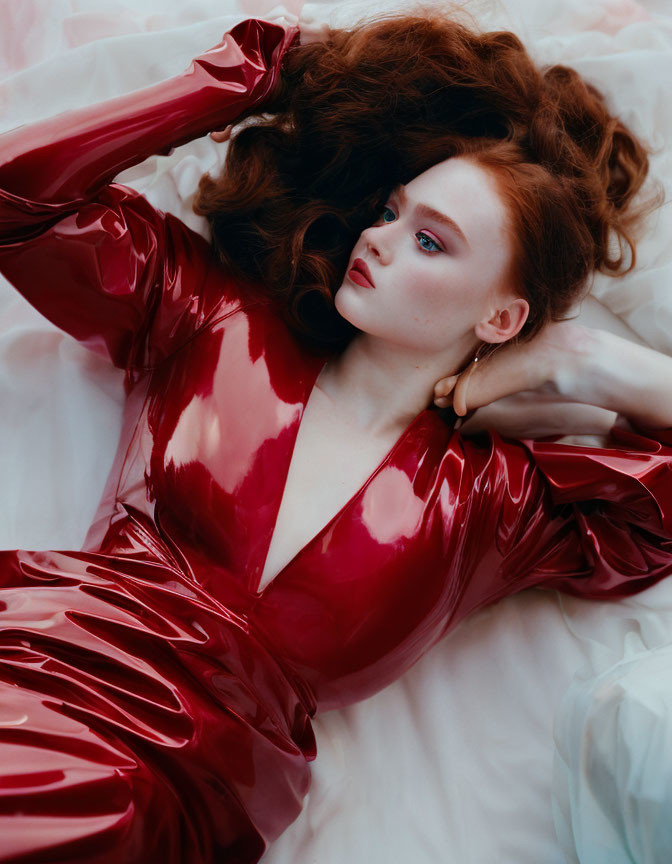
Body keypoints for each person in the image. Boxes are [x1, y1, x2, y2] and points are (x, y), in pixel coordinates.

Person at [0, 11, 670, 864]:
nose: (379, 241)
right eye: (391, 212)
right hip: (51, 685)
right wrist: (210, 93)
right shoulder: (217, 319)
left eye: (429, 240)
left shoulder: (486, 508)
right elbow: (16, 201)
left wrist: (590, 363)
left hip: (200, 811)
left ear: (503, 317)